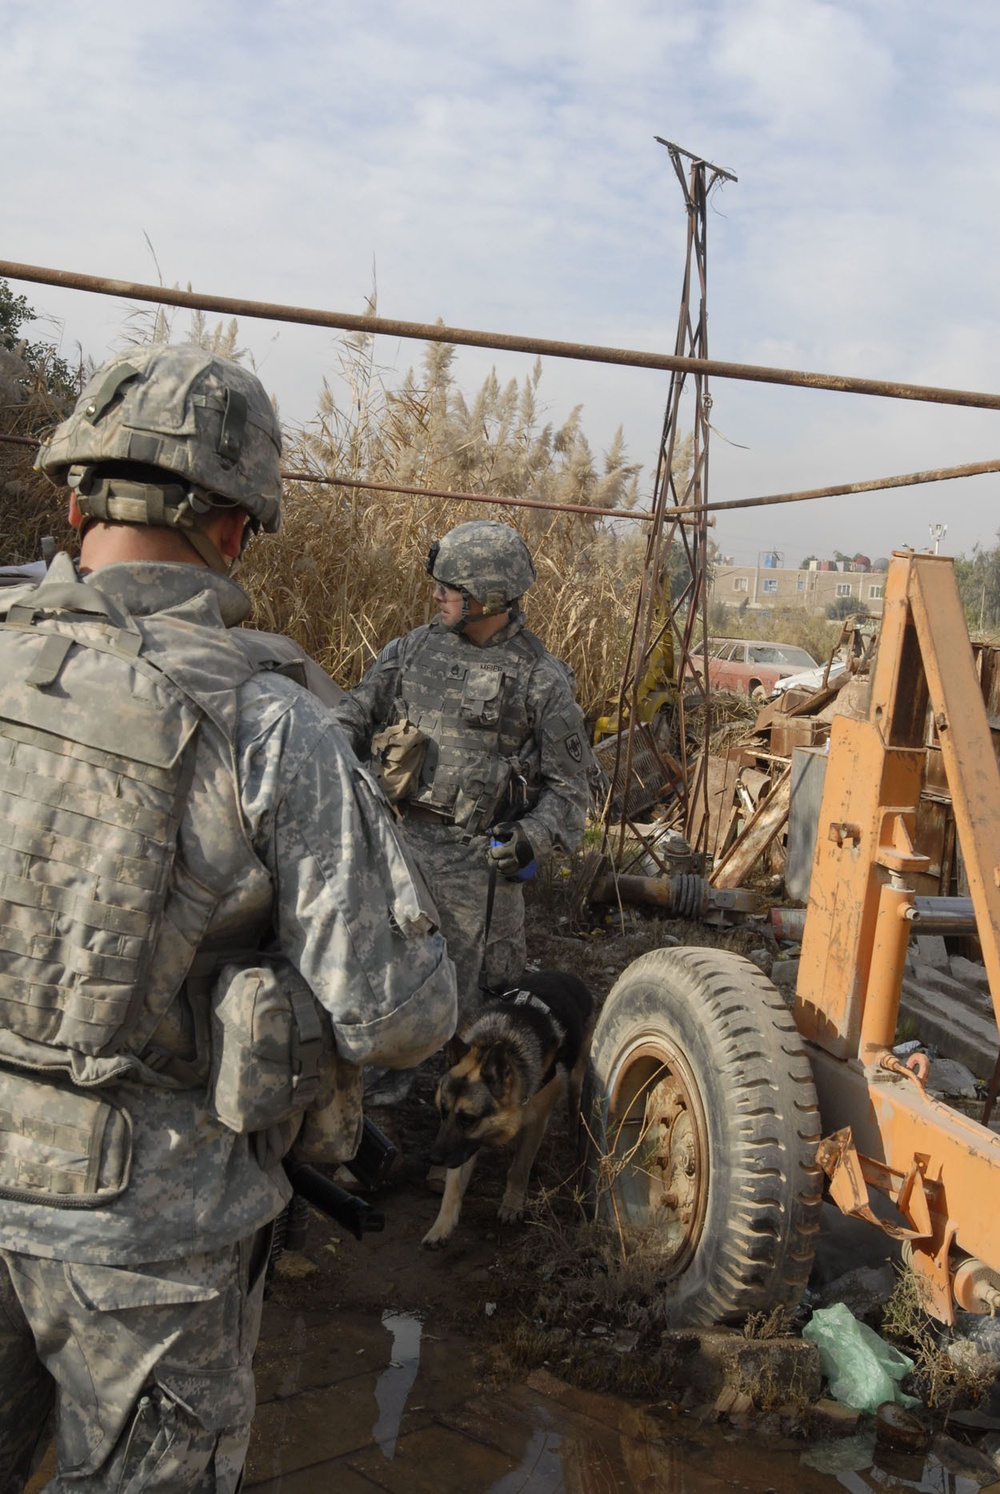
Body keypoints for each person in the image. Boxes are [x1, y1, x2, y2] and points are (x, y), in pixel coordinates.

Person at [0, 344, 457, 1493]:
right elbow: (400, 1016)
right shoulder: (268, 724)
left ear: (72, 498)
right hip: (148, 1239)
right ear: (237, 528)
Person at [333, 519, 593, 1063]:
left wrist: (531, 838)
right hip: (398, 848)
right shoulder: (410, 651)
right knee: (382, 985)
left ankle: (459, 1126)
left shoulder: (540, 679)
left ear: (488, 596)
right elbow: (354, 713)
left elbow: (572, 791)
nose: (437, 595)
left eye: (450, 588)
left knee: (476, 1020)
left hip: (478, 872)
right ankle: (385, 1096)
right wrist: (324, 750)